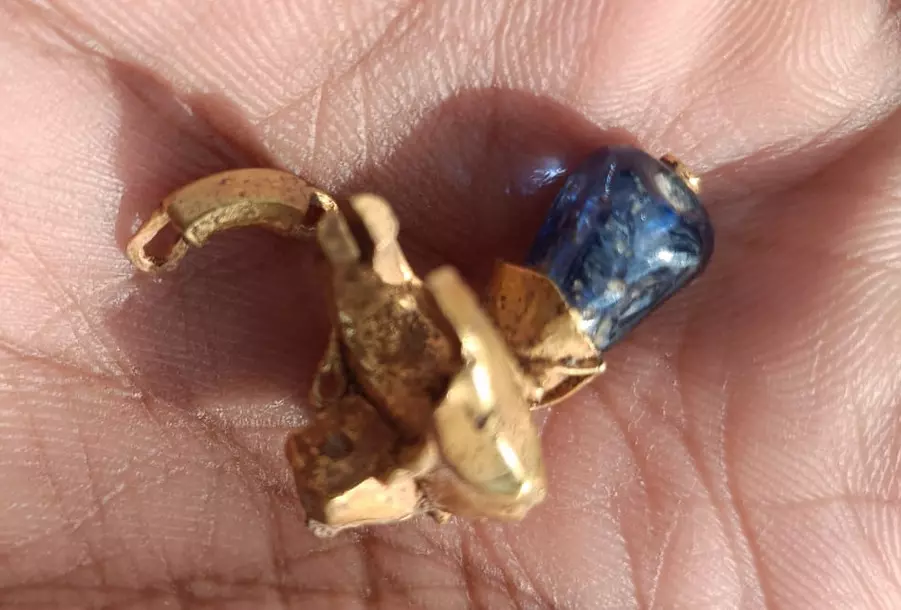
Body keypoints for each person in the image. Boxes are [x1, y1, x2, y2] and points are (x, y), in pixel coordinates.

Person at [1, 1, 899, 607]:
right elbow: (325, 222)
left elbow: (335, 229)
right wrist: (189, 221)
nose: (317, 448)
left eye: (324, 454)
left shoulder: (406, 381)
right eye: (334, 460)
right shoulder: (403, 385)